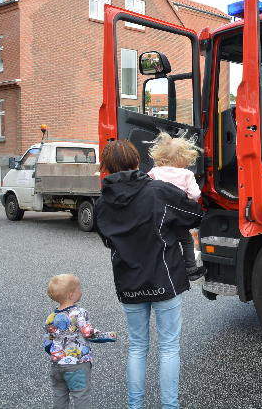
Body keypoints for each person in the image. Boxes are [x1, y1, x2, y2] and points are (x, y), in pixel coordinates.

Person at [95, 140, 202, 409]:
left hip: (128, 282)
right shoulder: (158, 192)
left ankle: (135, 406)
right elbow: (194, 216)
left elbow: (108, 240)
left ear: (105, 168)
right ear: (136, 162)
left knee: (137, 347)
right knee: (168, 348)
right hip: (165, 279)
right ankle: (169, 406)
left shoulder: (101, 204)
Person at [43, 274, 117, 409]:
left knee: (59, 396)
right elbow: (88, 333)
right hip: (77, 364)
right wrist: (108, 336)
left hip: (56, 364)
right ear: (71, 295)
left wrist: (55, 353)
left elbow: (47, 342)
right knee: (80, 395)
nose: (81, 291)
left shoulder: (51, 317)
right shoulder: (79, 313)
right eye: (79, 289)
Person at [147, 132, 205, 281]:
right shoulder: (186, 174)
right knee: (186, 241)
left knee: (161, 242)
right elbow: (195, 194)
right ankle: (191, 268)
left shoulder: (155, 172)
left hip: (158, 217)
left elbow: (146, 188)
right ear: (185, 157)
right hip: (178, 218)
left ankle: (160, 268)